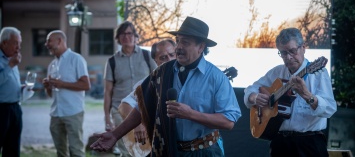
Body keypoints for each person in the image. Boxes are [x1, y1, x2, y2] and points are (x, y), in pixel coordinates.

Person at [91, 16, 242, 156]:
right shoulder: (162, 72)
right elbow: (141, 106)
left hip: (205, 152)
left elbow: (228, 122)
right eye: (178, 41)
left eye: (186, 42)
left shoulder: (217, 78)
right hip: (169, 151)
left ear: (201, 47)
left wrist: (191, 114)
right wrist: (115, 135)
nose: (179, 47)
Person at [244, 28, 337, 157]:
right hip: (280, 143)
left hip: (309, 143)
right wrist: (254, 97)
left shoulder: (319, 73)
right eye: (283, 53)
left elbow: (330, 109)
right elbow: (250, 89)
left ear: (303, 48)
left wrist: (308, 96)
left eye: (292, 51)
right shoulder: (277, 72)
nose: (288, 57)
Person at [103, 21, 157, 156]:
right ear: (118, 38)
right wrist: (107, 117)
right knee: (126, 150)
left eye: (129, 33)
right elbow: (108, 91)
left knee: (147, 149)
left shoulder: (147, 56)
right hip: (119, 111)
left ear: (135, 36)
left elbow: (157, 81)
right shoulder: (112, 61)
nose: (126, 36)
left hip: (144, 110)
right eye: (122, 34)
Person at [118, 39, 177, 156]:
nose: (169, 60)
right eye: (163, 57)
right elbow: (124, 105)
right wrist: (138, 125)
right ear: (155, 61)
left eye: (171, 55)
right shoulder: (148, 83)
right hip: (157, 147)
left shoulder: (187, 80)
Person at [42, 30, 91, 157]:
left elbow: (86, 85)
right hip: (56, 114)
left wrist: (62, 84)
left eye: (49, 41)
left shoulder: (76, 59)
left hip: (73, 112)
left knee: (76, 151)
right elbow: (51, 94)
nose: (46, 44)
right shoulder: (52, 64)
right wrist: (47, 87)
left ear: (59, 41)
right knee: (60, 152)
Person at [0, 27, 23, 157]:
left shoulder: (12, 59)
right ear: (4, 43)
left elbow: (10, 83)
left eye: (20, 43)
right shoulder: (11, 62)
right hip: (1, 109)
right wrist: (10, 66)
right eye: (15, 43)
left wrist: (22, 88)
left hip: (15, 109)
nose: (18, 47)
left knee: (13, 149)